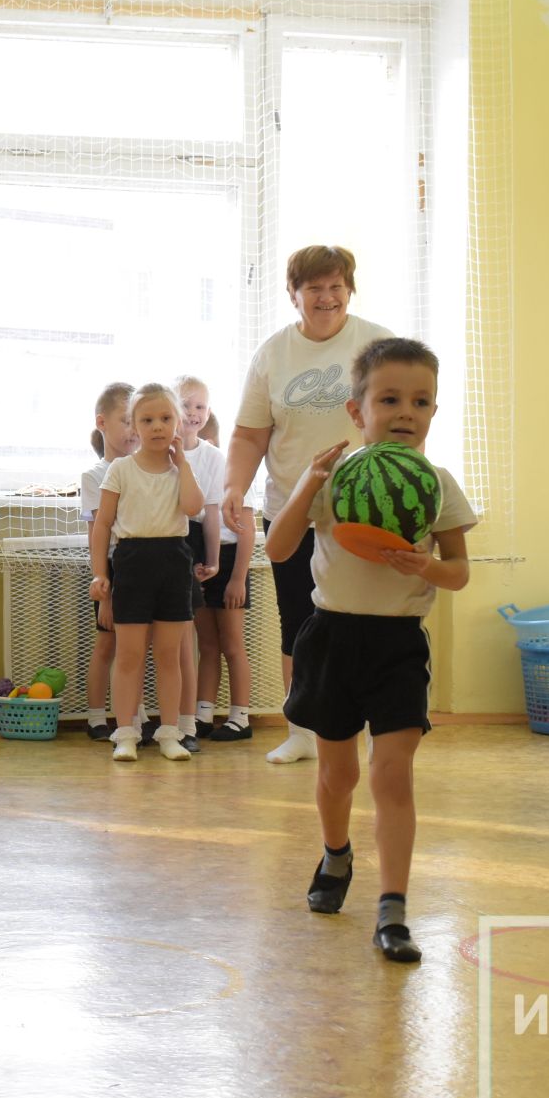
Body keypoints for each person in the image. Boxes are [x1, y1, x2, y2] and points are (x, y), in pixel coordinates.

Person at [264, 337, 474, 963]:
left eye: (421, 401)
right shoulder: (337, 479)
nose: (406, 412)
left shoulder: (436, 485)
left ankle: (393, 909)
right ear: (357, 412)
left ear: (434, 411)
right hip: (332, 638)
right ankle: (335, 853)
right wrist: (308, 481)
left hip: (397, 644)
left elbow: (460, 571)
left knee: (392, 776)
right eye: (390, 399)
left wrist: (426, 566)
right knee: (338, 774)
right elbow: (277, 549)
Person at [221, 246, 394, 764]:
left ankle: (356, 729)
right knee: (300, 620)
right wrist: (234, 486)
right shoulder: (274, 354)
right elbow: (251, 435)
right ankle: (301, 731)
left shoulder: (378, 344)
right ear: (293, 294)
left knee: (361, 618)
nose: (327, 297)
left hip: (363, 508)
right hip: (291, 509)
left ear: (350, 289)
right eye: (314, 288)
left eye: (336, 286)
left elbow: (404, 421)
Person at [88, 383, 204, 764]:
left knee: (169, 655)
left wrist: (183, 464)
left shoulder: (180, 470)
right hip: (133, 562)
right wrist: (100, 574)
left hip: (173, 562)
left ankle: (170, 732)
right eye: (148, 419)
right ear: (135, 426)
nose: (157, 426)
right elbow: (103, 525)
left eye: (166, 418)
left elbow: (192, 507)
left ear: (178, 424)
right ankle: (126, 733)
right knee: (129, 655)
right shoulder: (121, 469)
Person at [196, 406, 257, 742]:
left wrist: (237, 578)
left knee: (232, 645)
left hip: (232, 561)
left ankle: (240, 717)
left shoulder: (237, 477)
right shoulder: (198, 476)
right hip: (207, 559)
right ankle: (204, 713)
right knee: (207, 644)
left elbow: (246, 530)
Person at [79, 382, 136, 741]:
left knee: (134, 645)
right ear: (103, 422)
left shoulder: (144, 468)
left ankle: (132, 716)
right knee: (107, 644)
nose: (133, 430)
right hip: (113, 566)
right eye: (126, 420)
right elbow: (98, 534)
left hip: (139, 563)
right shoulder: (95, 476)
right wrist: (104, 585)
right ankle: (97, 716)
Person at [173, 374, 224, 751]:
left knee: (187, 638)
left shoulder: (212, 458)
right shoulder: (156, 450)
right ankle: (147, 718)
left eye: (200, 406)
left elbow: (212, 514)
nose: (193, 413)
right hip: (159, 540)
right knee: (159, 642)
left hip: (190, 544)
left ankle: (186, 723)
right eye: (186, 405)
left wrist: (213, 560)